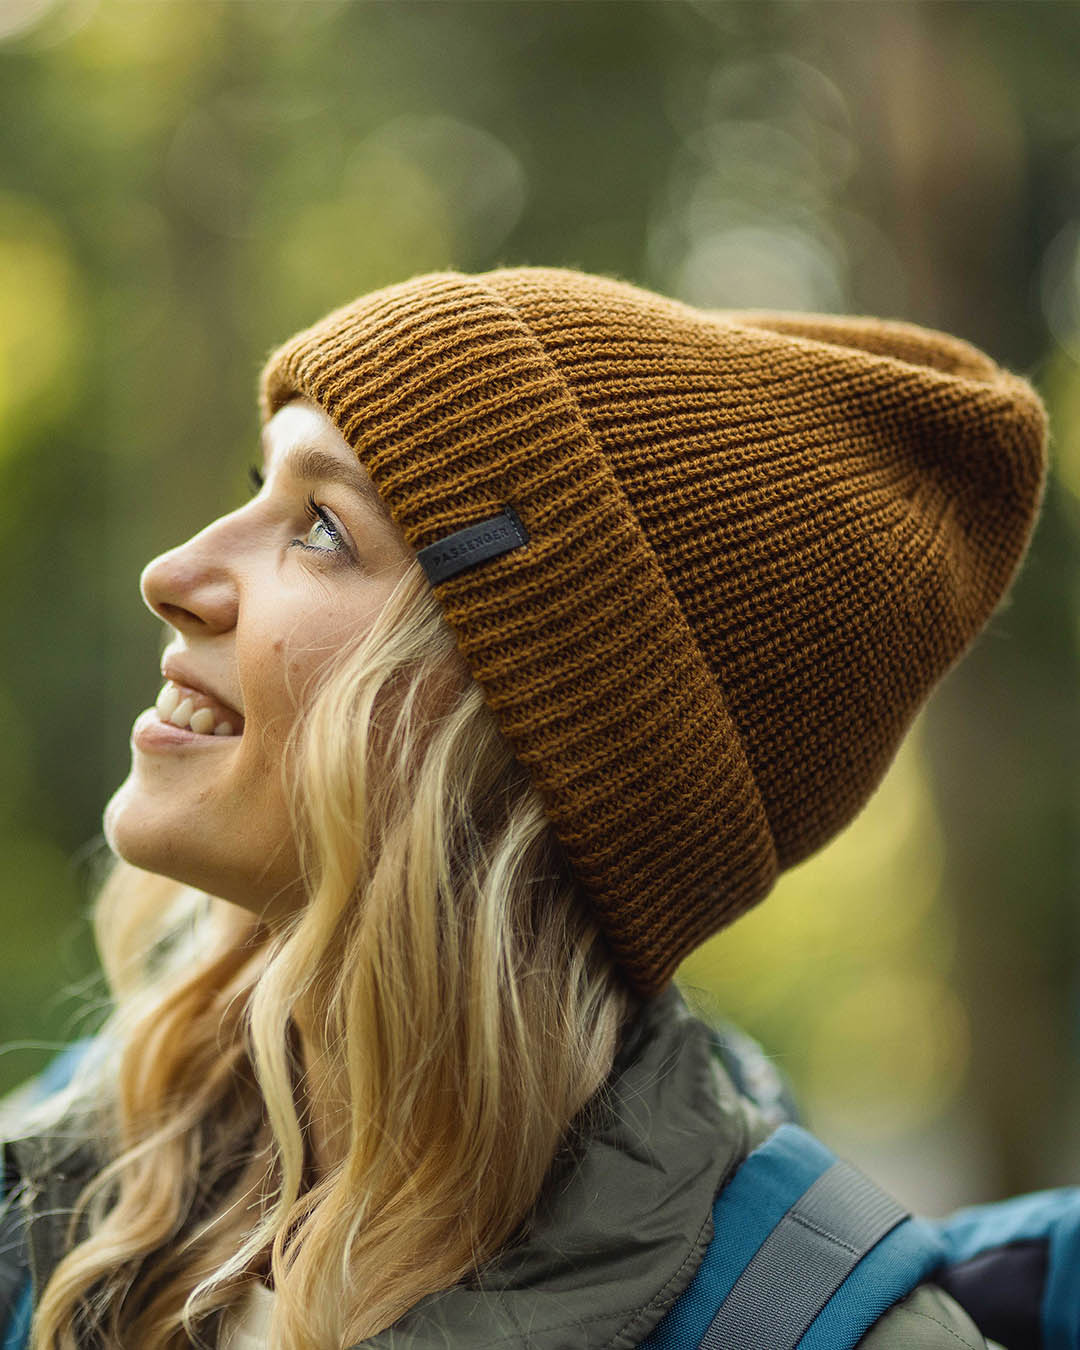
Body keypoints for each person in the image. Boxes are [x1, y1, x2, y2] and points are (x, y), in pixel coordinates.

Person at [0, 267, 1049, 1350]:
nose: (173, 571)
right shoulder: (71, 1185)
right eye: (253, 485)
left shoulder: (810, 1329)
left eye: (321, 527)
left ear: (539, 730)